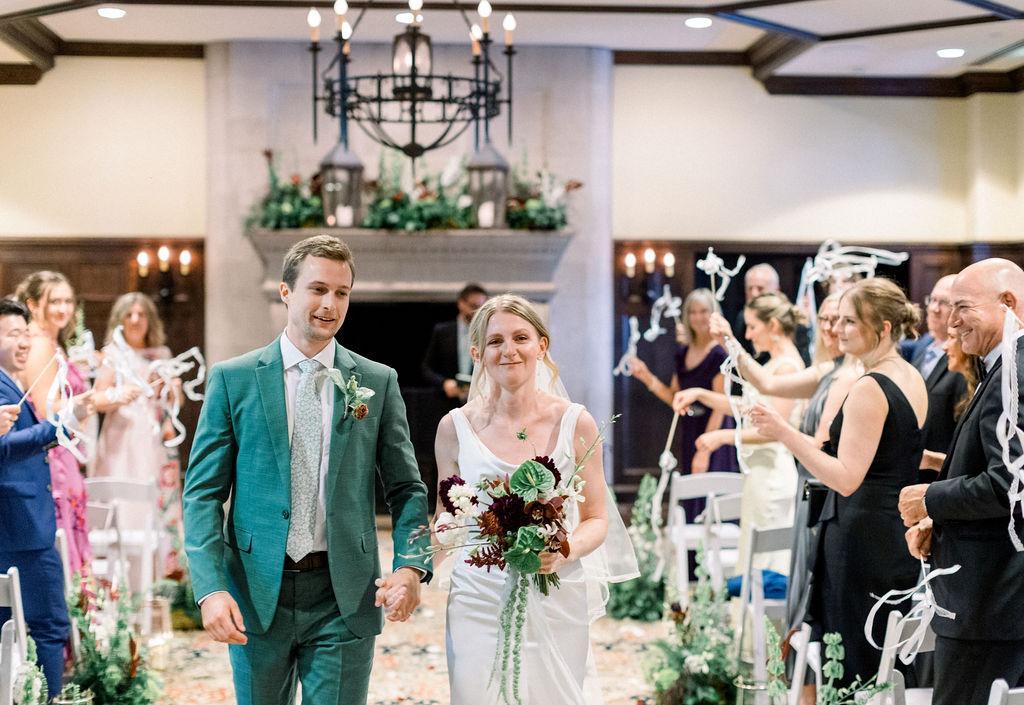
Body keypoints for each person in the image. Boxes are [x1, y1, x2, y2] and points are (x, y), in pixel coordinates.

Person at [182, 235, 432, 705]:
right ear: (286, 291)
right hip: (257, 590)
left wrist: (410, 566)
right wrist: (210, 588)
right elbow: (202, 493)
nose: (330, 304)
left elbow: (407, 487)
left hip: (345, 593)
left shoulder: (376, 381)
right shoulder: (234, 379)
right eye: (318, 289)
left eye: (342, 293)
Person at [434, 294, 637, 705]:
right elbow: (446, 515)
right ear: (477, 353)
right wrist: (418, 563)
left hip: (556, 591)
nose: (508, 350)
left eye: (521, 338)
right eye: (495, 341)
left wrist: (563, 550)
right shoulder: (454, 427)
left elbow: (597, 518)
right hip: (478, 593)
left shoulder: (576, 422)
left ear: (541, 346)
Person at [750, 277, 926, 689]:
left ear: (883, 327)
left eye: (850, 321)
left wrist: (783, 431)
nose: (838, 329)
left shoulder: (870, 386)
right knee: (884, 653)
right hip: (892, 532)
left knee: (853, 660)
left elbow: (845, 478)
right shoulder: (909, 374)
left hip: (861, 537)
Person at [898, 259, 1024, 705]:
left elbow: (1010, 485)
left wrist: (932, 498)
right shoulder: (1003, 366)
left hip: (992, 601)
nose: (951, 322)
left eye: (963, 307)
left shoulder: (1014, 371)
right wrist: (941, 523)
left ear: (1007, 303)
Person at [674, 291, 806, 575]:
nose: (749, 334)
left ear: (773, 326)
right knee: (751, 560)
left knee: (767, 565)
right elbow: (746, 407)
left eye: (753, 326)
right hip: (757, 473)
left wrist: (722, 437)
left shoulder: (787, 367)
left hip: (772, 474)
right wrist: (700, 394)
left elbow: (775, 431)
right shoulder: (774, 364)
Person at [0, 298, 70, 700]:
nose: (25, 342)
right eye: (14, 334)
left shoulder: (10, 379)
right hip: (20, 524)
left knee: (10, 625)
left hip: (18, 520)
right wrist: (56, 427)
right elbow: (5, 448)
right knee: (50, 624)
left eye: (27, 333)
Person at [92, 292, 184, 577]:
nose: (135, 320)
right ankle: (123, 577)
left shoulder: (161, 354)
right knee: (125, 499)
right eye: (129, 315)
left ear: (149, 320)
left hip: (155, 436)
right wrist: (121, 394)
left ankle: (160, 576)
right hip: (123, 437)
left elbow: (176, 401)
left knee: (156, 498)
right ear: (119, 320)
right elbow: (97, 398)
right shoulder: (113, 355)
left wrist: (169, 388)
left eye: (141, 314)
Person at [16, 270, 94, 575]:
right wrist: (98, 399)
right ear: (33, 304)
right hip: (54, 454)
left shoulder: (51, 342)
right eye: (55, 301)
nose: (64, 308)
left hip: (64, 449)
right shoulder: (39, 344)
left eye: (68, 301)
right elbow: (45, 409)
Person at [629, 288, 738, 482]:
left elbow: (720, 407)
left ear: (713, 314)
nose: (698, 317)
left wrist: (704, 450)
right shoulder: (683, 352)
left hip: (715, 430)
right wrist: (647, 377)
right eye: (692, 312)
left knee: (711, 487)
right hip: (690, 428)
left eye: (703, 311)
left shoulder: (720, 354)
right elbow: (675, 398)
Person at [905, 275, 967, 482]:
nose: (934, 309)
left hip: (942, 477)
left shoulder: (966, 359)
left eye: (944, 303)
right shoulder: (923, 348)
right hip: (913, 471)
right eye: (932, 300)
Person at [733, 264, 812, 366]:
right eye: (749, 288)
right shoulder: (742, 318)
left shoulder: (793, 322)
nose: (754, 294)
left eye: (760, 288)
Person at [422, 283, 488, 403]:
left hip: (479, 401)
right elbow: (427, 368)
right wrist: (444, 383)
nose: (477, 312)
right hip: (446, 401)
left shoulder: (489, 333)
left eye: (482, 308)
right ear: (461, 303)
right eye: (473, 306)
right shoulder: (442, 331)